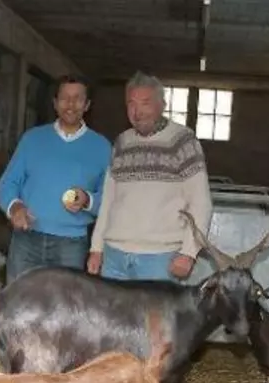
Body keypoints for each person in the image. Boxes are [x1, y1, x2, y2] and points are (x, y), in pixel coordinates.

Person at [87, 71, 213, 282]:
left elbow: (201, 203)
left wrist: (189, 253)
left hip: (160, 259)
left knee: (156, 317)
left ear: (162, 104)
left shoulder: (182, 141)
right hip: (114, 256)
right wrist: (96, 247)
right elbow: (108, 200)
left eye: (145, 103)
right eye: (131, 104)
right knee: (114, 316)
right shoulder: (121, 142)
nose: (137, 112)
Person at [0, 73, 112, 284]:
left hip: (71, 244)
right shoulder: (32, 139)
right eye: (65, 98)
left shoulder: (102, 147)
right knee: (20, 305)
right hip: (27, 238)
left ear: (87, 105)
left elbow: (111, 198)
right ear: (55, 103)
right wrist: (14, 207)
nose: (71, 104)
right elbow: (8, 183)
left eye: (78, 98)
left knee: (63, 309)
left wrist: (88, 200)